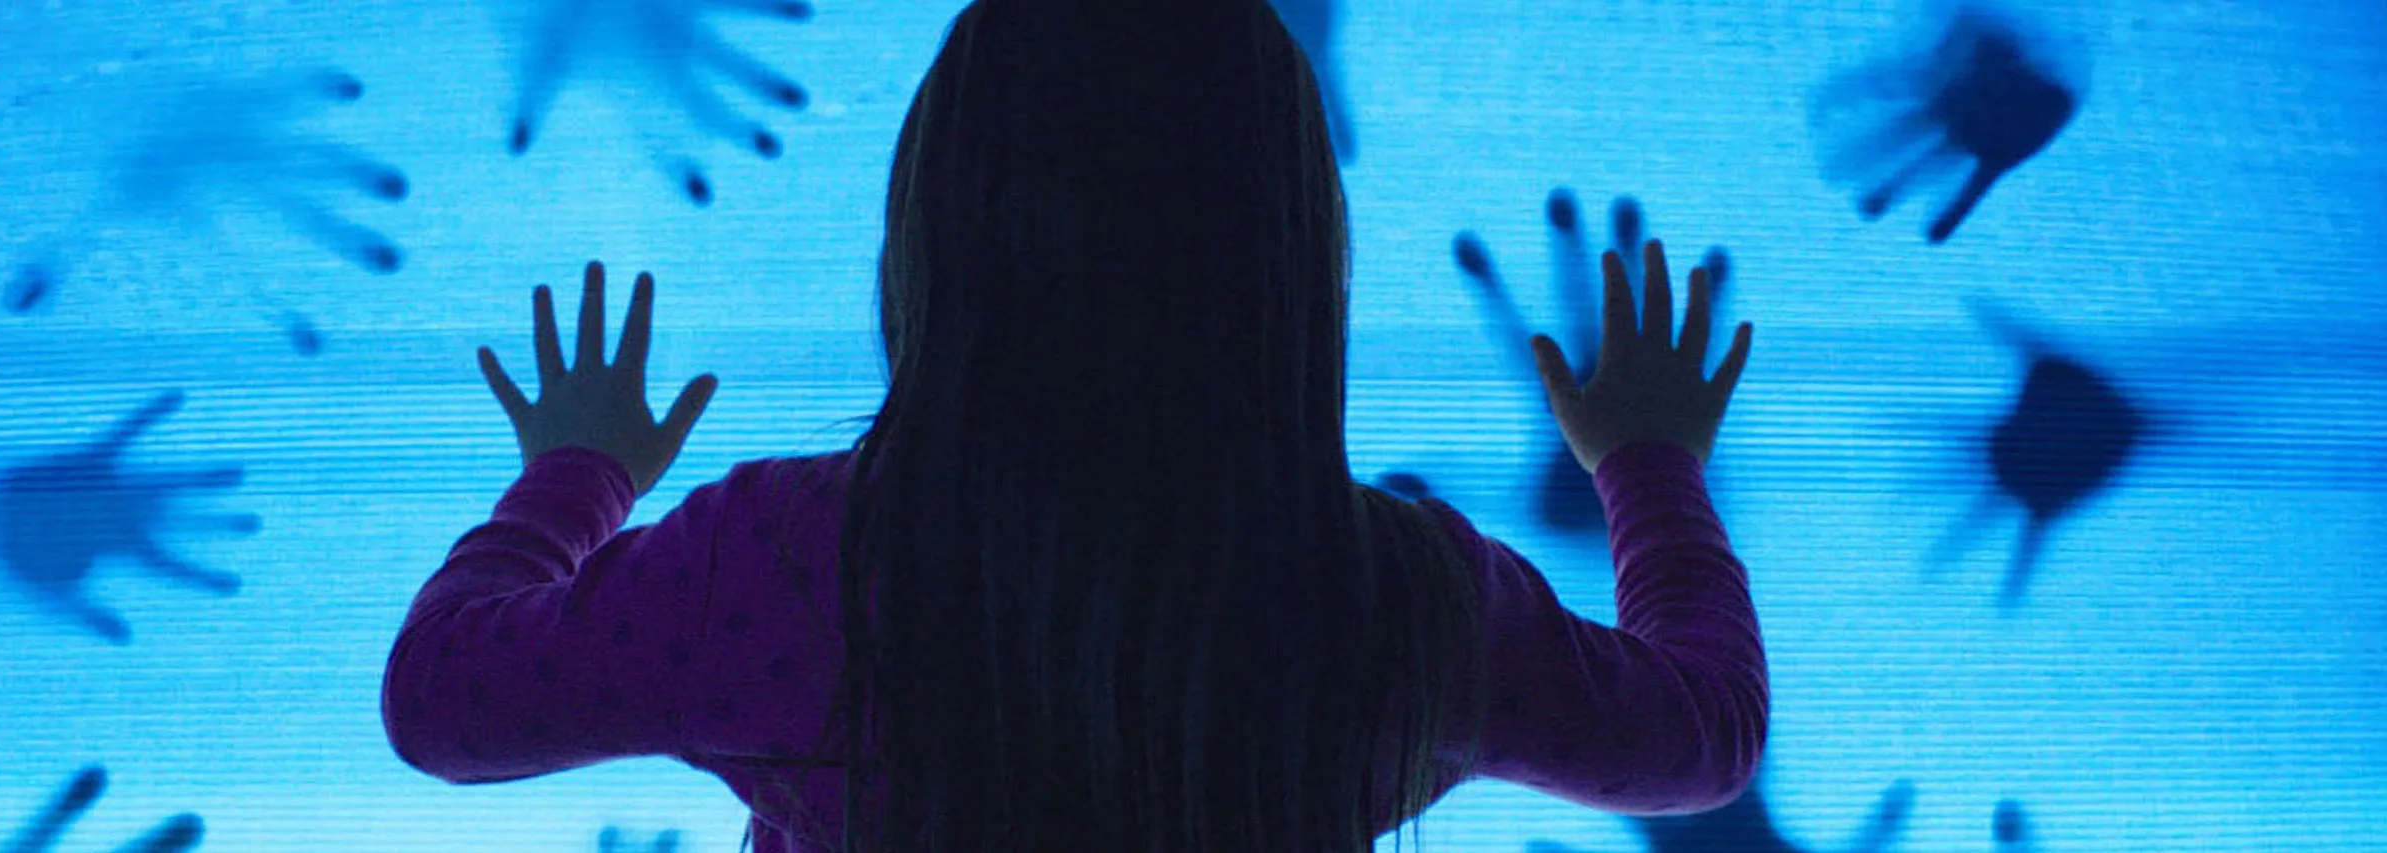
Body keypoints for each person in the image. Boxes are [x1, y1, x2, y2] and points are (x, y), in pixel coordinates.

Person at [379, 1, 1764, 852]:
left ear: (936, 223)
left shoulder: (779, 560)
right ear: (1291, 252)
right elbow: (1702, 735)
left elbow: (440, 701)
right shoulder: (1398, 602)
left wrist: (576, 478)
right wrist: (1649, 464)